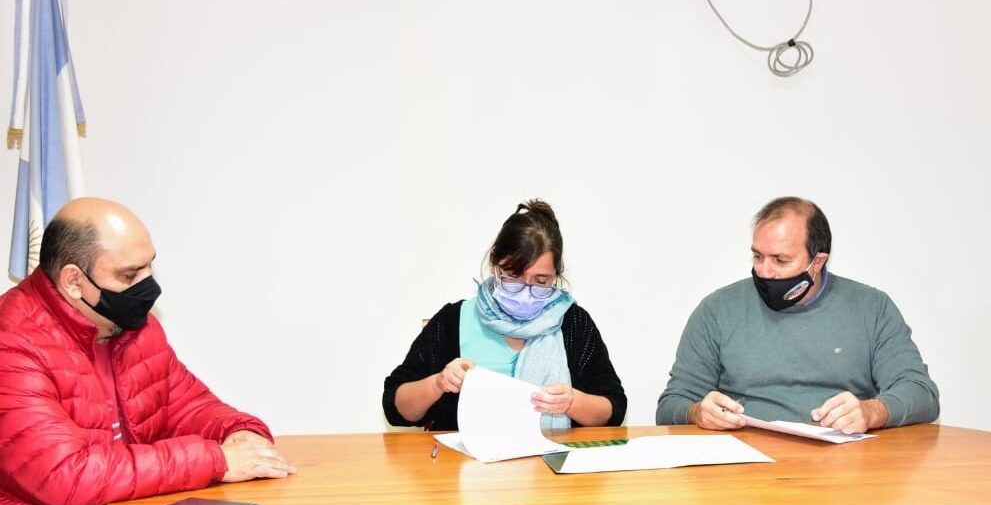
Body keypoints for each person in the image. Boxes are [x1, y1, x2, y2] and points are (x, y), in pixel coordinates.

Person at [0, 198, 295, 505]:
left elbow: (186, 406)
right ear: (74, 281)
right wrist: (215, 460)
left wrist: (239, 433)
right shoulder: (11, 344)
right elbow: (66, 476)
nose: (149, 287)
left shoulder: (130, 326)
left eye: (149, 267)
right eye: (129, 276)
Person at [656, 196, 939, 434]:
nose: (764, 271)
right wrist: (697, 412)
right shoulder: (718, 309)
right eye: (757, 256)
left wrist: (872, 412)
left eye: (780, 260)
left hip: (842, 467)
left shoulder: (871, 307)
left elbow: (921, 393)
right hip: (746, 464)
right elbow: (671, 405)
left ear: (818, 262)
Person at [383, 200, 626, 431]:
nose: (525, 292)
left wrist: (572, 402)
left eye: (541, 282)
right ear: (494, 264)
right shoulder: (452, 321)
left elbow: (613, 408)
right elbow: (395, 407)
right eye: (513, 277)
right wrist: (438, 383)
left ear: (555, 277)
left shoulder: (572, 323)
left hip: (547, 459)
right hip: (465, 460)